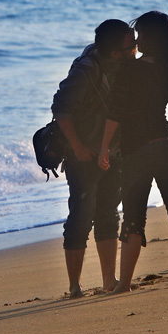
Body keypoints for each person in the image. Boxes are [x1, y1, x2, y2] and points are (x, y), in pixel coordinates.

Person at [97, 11, 168, 293]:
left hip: (135, 153)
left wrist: (104, 147)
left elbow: (115, 113)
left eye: (140, 34)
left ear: (150, 38)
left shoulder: (128, 70)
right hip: (166, 148)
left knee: (133, 220)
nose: (137, 39)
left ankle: (124, 284)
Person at [52, 19, 136, 298]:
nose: (137, 47)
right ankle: (74, 286)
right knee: (81, 216)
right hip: (83, 154)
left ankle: (108, 281)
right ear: (114, 52)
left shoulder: (125, 65)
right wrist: (77, 147)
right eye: (131, 45)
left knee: (108, 214)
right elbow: (60, 109)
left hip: (113, 152)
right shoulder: (85, 71)